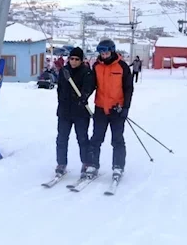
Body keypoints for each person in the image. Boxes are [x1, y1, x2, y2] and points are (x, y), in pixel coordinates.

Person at [83, 39, 133, 181]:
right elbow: (92, 84)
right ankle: (93, 164)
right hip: (100, 108)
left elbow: (128, 88)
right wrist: (85, 95)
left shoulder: (122, 67)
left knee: (117, 139)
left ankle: (118, 166)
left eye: (106, 52)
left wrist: (126, 107)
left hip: (117, 110)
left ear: (112, 51)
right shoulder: (97, 66)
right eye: (101, 53)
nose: (103, 55)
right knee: (96, 138)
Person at [53, 47, 95, 176]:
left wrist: (84, 96)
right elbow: (60, 89)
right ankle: (61, 163)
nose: (74, 61)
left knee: (82, 138)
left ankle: (86, 162)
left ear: (81, 60)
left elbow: (89, 87)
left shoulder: (87, 72)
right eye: (71, 59)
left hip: (80, 113)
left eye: (77, 59)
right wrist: (62, 102)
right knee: (61, 139)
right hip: (64, 112)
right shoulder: (64, 71)